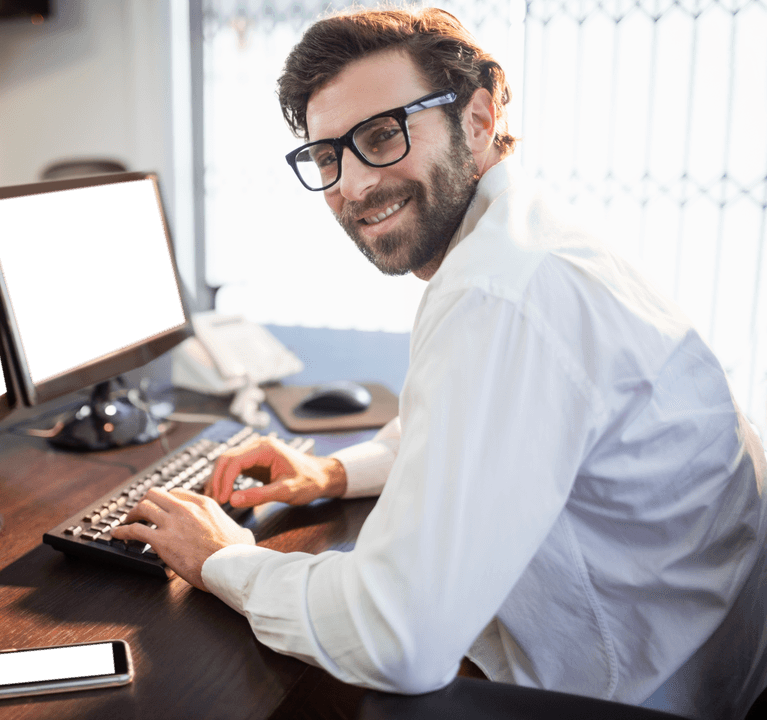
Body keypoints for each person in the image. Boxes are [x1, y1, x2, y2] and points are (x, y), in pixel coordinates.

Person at [112, 6, 767, 718]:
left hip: (651, 692)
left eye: (382, 135)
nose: (354, 186)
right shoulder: (530, 240)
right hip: (711, 652)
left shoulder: (499, 292)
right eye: (328, 155)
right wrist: (331, 471)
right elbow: (488, 429)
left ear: (479, 119)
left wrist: (222, 561)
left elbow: (398, 639)